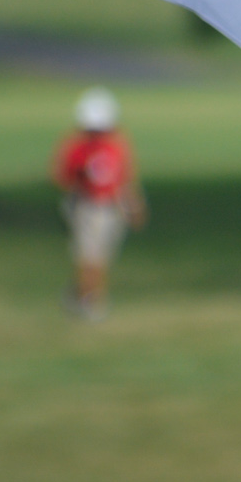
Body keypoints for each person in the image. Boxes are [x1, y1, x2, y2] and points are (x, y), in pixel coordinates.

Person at [51, 88, 145, 321]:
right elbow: (62, 177)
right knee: (91, 257)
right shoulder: (77, 146)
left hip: (112, 206)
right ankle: (92, 301)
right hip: (88, 206)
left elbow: (126, 176)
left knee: (101, 256)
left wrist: (133, 205)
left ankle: (82, 294)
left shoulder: (118, 143)